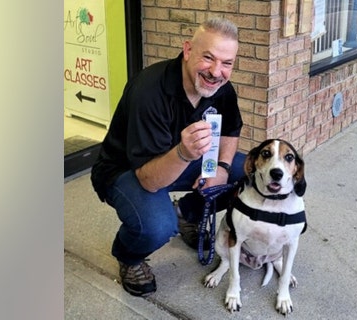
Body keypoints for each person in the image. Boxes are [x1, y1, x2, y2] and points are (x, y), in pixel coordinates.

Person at [90, 18, 246, 297]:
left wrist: (221, 168)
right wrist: (185, 152)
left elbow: (232, 129)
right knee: (158, 226)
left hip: (180, 161)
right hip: (127, 171)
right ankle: (129, 257)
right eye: (208, 57)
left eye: (227, 63)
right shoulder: (149, 89)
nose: (216, 72)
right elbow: (149, 180)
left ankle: (187, 212)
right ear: (188, 50)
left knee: (243, 173)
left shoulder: (221, 87)